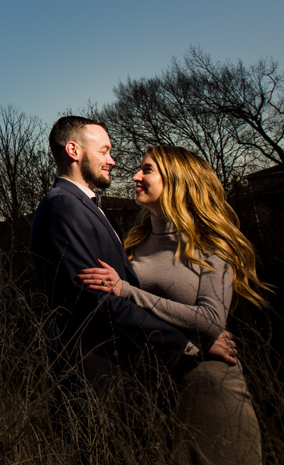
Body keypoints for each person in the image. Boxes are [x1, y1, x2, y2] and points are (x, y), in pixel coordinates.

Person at [76, 145, 269, 465]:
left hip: (209, 389)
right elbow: (118, 317)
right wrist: (189, 344)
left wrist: (127, 291)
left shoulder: (210, 244)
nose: (135, 176)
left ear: (177, 180)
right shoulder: (133, 244)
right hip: (151, 391)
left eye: (147, 170)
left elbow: (210, 321)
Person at [29, 117, 235, 390]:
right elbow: (94, 302)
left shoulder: (98, 212)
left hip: (153, 377)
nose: (113, 161)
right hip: (98, 376)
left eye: (146, 170)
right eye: (104, 151)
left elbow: (123, 291)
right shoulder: (65, 206)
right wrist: (186, 347)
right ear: (74, 151)